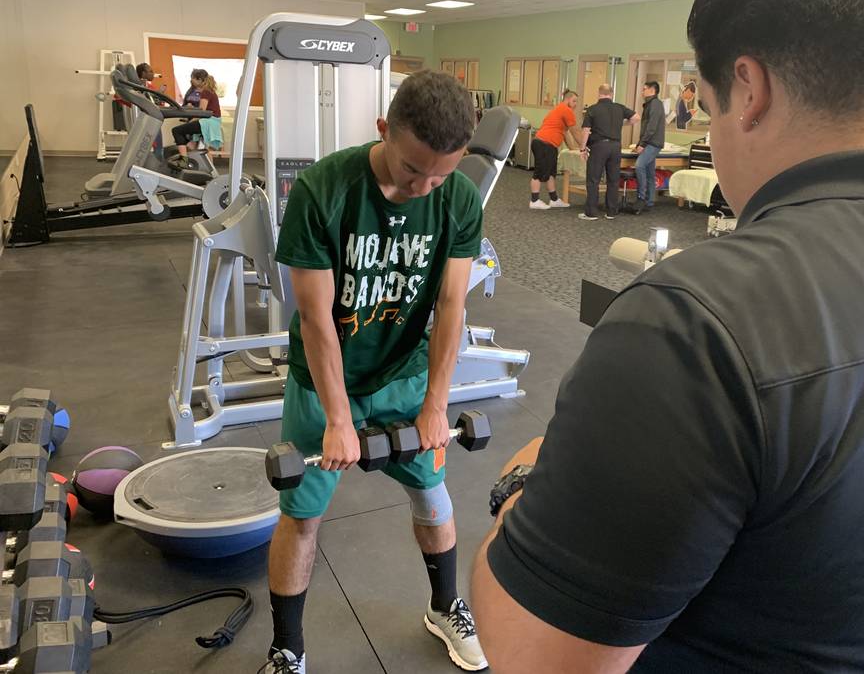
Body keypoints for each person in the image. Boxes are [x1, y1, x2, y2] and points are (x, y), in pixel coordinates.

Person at [469, 0, 864, 674]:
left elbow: (537, 657)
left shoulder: (691, 319)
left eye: (709, 103)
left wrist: (525, 479)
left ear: (748, 89)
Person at [262, 70, 488, 674]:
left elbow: (450, 306)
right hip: (324, 381)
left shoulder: (458, 199)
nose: (427, 186)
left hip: (404, 376)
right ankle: (288, 649)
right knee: (301, 515)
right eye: (415, 169)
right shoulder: (323, 190)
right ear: (384, 129)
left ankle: (445, 607)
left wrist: (437, 406)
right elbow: (315, 322)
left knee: (434, 495)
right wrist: (338, 417)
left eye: (443, 173)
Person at [578, 84, 639, 221]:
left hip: (599, 146)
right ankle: (611, 211)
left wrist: (582, 149)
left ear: (599, 93)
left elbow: (586, 130)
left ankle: (591, 213)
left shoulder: (592, 109)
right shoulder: (619, 107)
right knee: (613, 180)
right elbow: (636, 117)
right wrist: (621, 123)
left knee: (593, 179)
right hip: (616, 147)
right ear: (612, 94)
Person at [528, 89, 581, 210]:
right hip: (543, 144)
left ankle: (554, 199)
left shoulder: (559, 110)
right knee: (539, 173)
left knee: (551, 173)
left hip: (549, 145)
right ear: (567, 99)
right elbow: (575, 131)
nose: (575, 104)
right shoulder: (565, 109)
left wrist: (574, 149)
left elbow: (566, 133)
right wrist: (583, 146)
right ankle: (534, 201)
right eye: (574, 101)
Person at [631, 81, 665, 214]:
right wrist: (639, 144)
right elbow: (646, 128)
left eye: (644, 89)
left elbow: (651, 127)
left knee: (639, 166)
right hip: (650, 142)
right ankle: (649, 201)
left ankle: (641, 197)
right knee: (650, 172)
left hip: (653, 143)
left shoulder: (655, 104)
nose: (642, 91)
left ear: (652, 90)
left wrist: (643, 144)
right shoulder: (650, 104)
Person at [171, 68, 221, 159]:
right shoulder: (208, 90)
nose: (191, 80)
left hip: (208, 122)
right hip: (211, 122)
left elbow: (201, 111)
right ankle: (207, 170)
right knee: (192, 144)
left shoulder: (206, 91)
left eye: (193, 78)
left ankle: (184, 160)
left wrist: (191, 120)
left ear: (200, 80)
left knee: (176, 131)